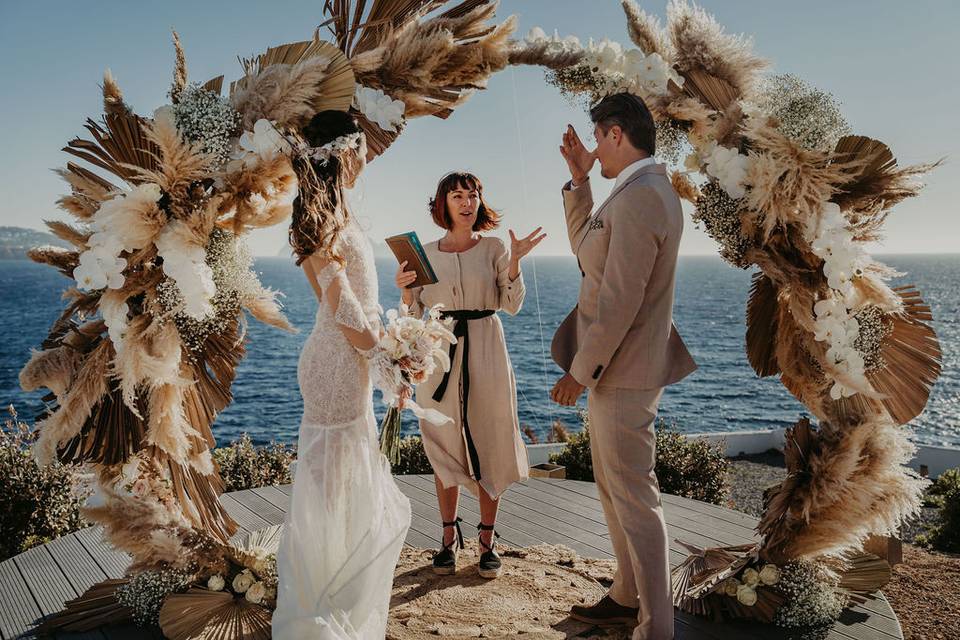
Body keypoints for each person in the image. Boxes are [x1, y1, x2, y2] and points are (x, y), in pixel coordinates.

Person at [550, 93, 697, 640]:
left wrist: (579, 372)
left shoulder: (641, 196)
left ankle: (656, 627)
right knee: (616, 488)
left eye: (596, 139)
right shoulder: (636, 189)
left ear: (615, 134)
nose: (593, 150)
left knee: (635, 495)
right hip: (621, 368)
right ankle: (625, 595)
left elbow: (620, 300)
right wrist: (579, 181)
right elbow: (590, 253)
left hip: (623, 369)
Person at [272, 110, 411, 639]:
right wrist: (386, 356)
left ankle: (335, 593)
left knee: (347, 481)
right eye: (362, 148)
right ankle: (321, 605)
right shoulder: (317, 218)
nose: (368, 157)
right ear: (344, 152)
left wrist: (386, 353)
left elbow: (357, 302)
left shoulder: (332, 213)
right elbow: (343, 308)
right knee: (332, 486)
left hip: (348, 359)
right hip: (335, 364)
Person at [395, 171, 544, 578]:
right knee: (442, 440)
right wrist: (406, 290)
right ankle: (446, 539)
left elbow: (510, 304)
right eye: (457, 196)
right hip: (439, 354)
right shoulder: (423, 253)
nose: (466, 202)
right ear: (442, 204)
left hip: (486, 350)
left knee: (489, 439)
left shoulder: (494, 247)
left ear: (480, 201)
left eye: (472, 195)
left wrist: (515, 262)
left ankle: (486, 541)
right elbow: (412, 318)